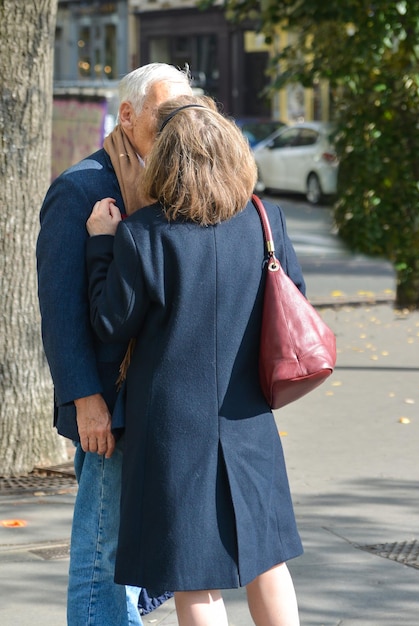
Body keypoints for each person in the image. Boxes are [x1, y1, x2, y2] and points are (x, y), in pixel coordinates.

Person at [84, 94, 305, 626]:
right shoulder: (263, 218)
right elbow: (291, 295)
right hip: (248, 418)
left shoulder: (144, 235)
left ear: (166, 161)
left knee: (195, 576)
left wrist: (101, 244)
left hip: (170, 431)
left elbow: (111, 323)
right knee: (266, 561)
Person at [36, 63, 193, 626]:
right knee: (104, 548)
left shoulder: (175, 179)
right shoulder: (81, 187)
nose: (181, 123)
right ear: (128, 116)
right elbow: (61, 312)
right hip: (109, 403)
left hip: (158, 401)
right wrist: (86, 401)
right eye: (167, 112)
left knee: (136, 550)